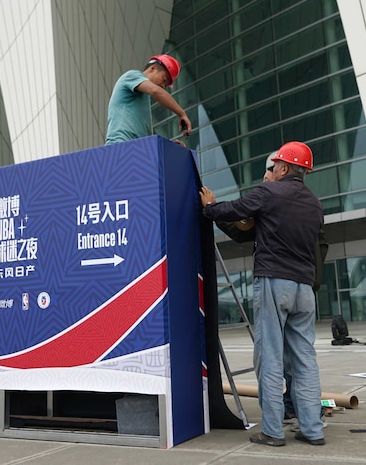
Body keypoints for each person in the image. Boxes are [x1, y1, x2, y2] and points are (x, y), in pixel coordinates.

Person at [200, 141, 326, 446]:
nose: (271, 172)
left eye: (274, 167)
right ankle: (312, 430)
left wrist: (209, 207)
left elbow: (235, 210)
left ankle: (272, 430)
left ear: (282, 167)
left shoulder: (269, 192)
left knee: (269, 358)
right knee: (305, 359)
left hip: (274, 281)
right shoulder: (314, 203)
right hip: (305, 288)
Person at [105, 54, 192, 145]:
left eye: (165, 85)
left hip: (133, 149)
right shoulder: (132, 75)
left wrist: (169, 146)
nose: (162, 86)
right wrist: (181, 114)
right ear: (153, 68)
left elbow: (145, 140)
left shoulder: (142, 98)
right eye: (163, 80)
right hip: (120, 145)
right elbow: (156, 91)